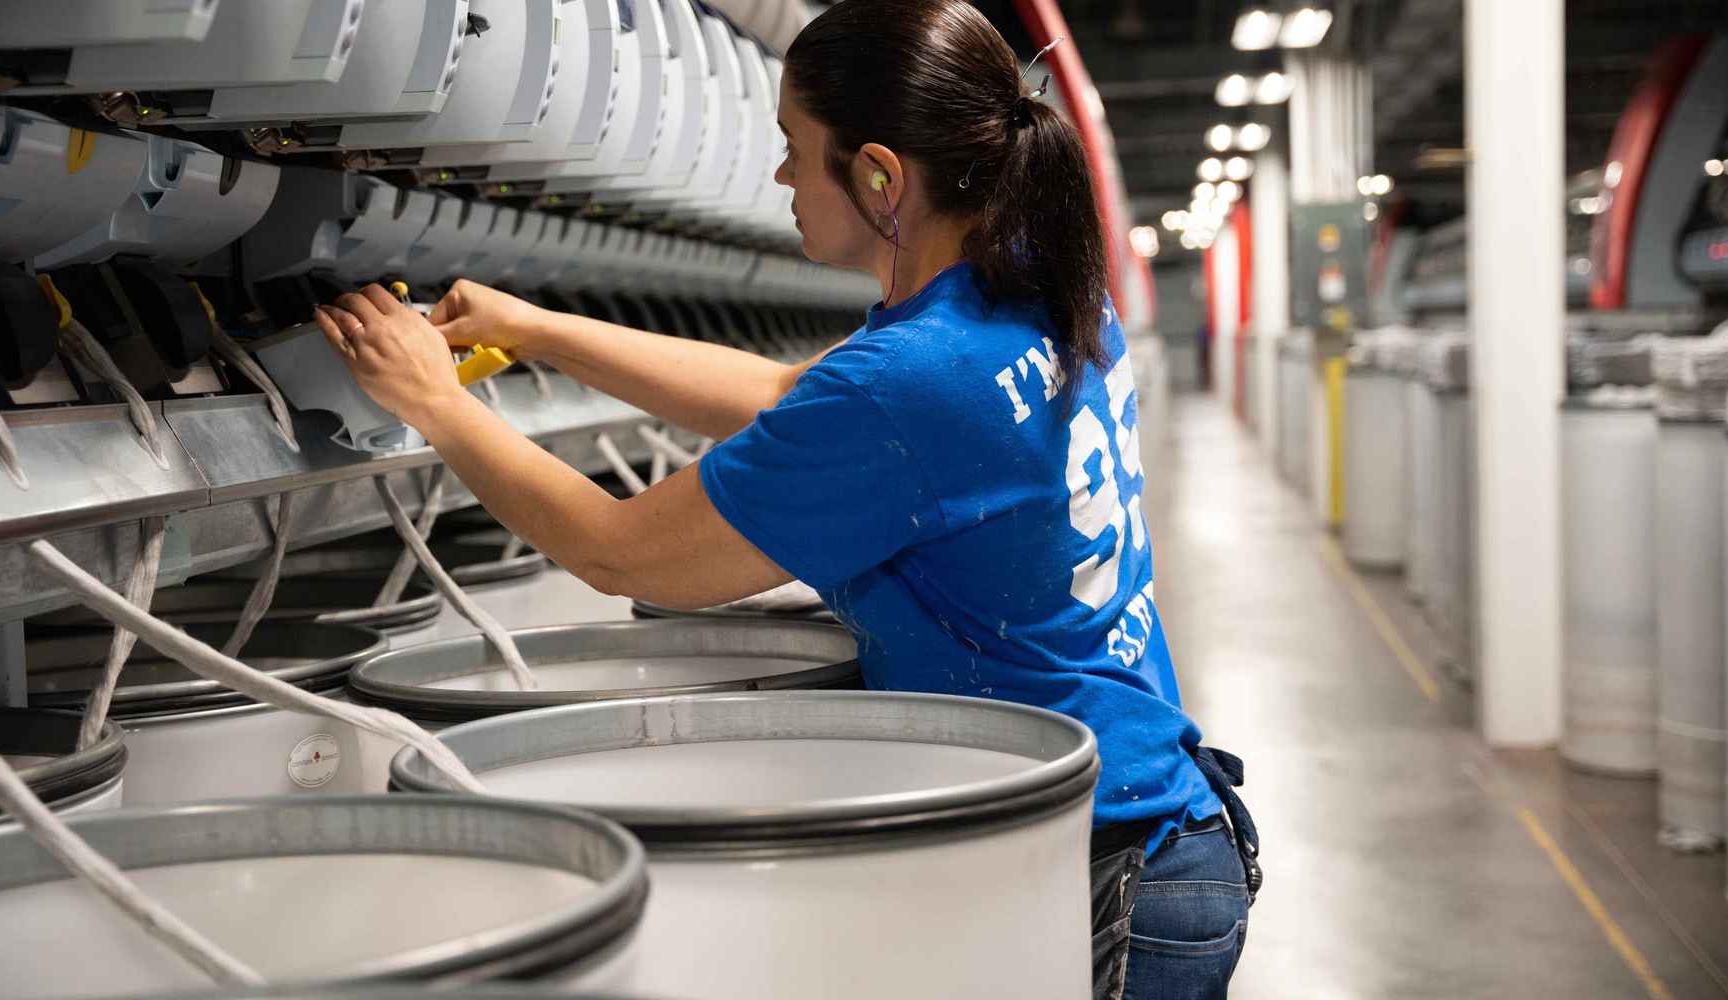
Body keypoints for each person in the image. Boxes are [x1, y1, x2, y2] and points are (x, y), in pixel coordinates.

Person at [314, 1, 1257, 996]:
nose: (779, 178)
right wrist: (542, 328)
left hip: (1106, 872)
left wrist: (429, 401)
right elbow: (781, 397)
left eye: (793, 149)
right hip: (1158, 824)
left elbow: (622, 551)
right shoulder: (1047, 299)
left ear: (882, 177)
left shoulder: (906, 387)